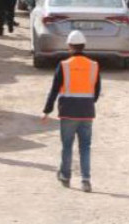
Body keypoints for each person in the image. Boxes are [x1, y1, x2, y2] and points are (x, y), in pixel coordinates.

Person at [41, 30, 101, 192]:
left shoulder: (64, 65)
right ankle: (85, 180)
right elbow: (96, 91)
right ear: (84, 46)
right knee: (85, 147)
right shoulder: (94, 65)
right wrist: (87, 103)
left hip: (68, 111)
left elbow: (54, 90)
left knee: (67, 145)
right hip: (87, 112)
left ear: (69, 46)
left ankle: (66, 176)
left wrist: (47, 110)